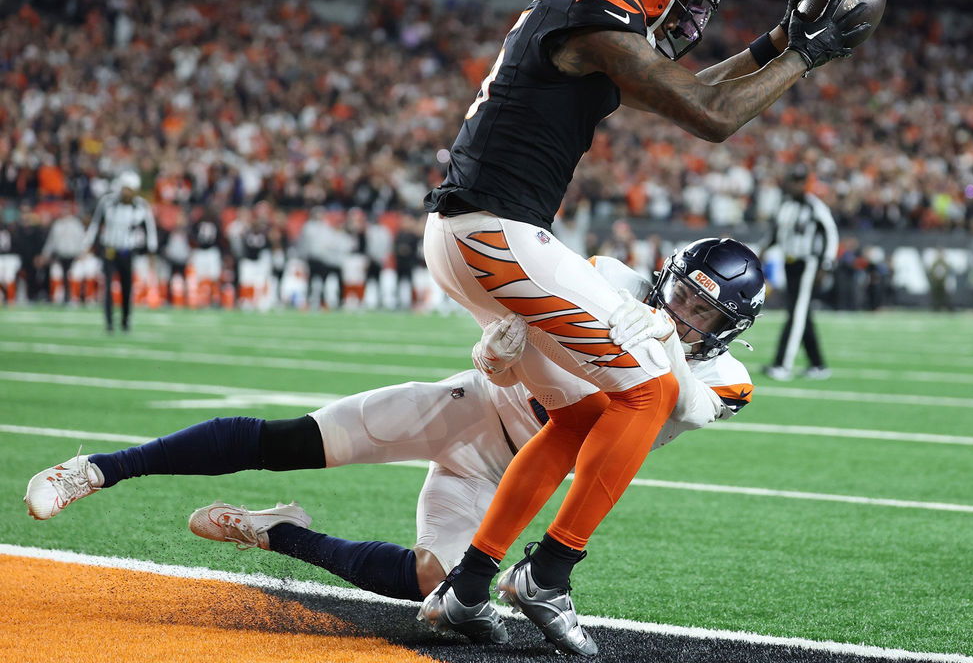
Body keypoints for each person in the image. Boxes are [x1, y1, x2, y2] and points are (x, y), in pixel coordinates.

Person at [419, 0, 869, 653]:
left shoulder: (585, 18)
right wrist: (806, 57)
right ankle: (548, 574)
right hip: (493, 231)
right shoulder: (594, 6)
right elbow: (709, 115)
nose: (690, 16)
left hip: (477, 232)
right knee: (650, 390)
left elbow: (688, 92)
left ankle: (467, 590)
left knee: (580, 414)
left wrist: (778, 43)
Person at [24, 243, 759, 616]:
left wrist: (662, 342)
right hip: (470, 405)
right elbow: (528, 331)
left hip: (503, 477)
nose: (689, 318)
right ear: (666, 275)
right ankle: (96, 469)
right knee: (288, 441)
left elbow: (683, 404)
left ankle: (275, 533)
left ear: (730, 329)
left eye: (706, 315)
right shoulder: (609, 280)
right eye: (684, 300)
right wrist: (500, 347)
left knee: (432, 584)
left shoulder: (722, 379)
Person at [763, 169, 838, 381]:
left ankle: (783, 365)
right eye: (791, 181)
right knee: (802, 314)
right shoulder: (786, 206)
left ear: (805, 183)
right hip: (789, 263)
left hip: (808, 263)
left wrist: (826, 264)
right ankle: (818, 365)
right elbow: (776, 234)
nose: (794, 185)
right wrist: (761, 250)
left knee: (796, 314)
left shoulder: (815, 206)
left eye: (798, 181)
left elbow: (830, 233)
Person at [82, 172, 157, 332]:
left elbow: (150, 229)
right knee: (107, 285)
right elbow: (95, 224)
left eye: (130, 189)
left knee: (127, 287)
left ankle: (125, 319)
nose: (126, 193)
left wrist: (151, 251)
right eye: (125, 189)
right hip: (110, 249)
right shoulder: (107, 202)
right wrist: (87, 245)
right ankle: (109, 321)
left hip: (127, 251)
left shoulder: (141, 206)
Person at [40, 204, 87, 304]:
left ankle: (74, 297)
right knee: (59, 276)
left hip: (73, 254)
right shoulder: (57, 224)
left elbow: (82, 239)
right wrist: (45, 254)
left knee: (73, 276)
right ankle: (60, 297)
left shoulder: (76, 224)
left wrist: (82, 251)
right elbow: (51, 241)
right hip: (60, 254)